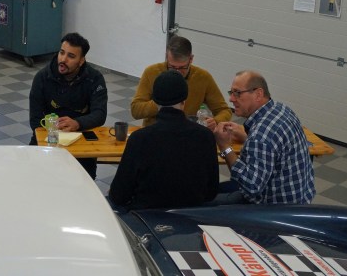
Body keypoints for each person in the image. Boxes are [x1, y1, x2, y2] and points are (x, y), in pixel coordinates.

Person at [108, 70, 219, 210]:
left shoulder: (140, 139)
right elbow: (211, 192)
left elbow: (119, 195)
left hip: (146, 216)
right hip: (191, 215)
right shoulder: (205, 136)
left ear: (155, 101)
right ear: (184, 100)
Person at [213, 70, 315, 204]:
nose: (231, 99)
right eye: (231, 92)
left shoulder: (260, 136)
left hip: (274, 208)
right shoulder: (281, 109)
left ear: (258, 94)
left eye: (237, 93)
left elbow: (250, 187)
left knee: (203, 201)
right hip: (300, 198)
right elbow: (273, 148)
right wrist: (247, 138)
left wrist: (225, 147)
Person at [29, 32, 107, 178]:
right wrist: (53, 135)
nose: (63, 59)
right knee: (36, 178)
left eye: (71, 56)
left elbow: (100, 114)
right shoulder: (42, 77)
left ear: (81, 60)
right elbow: (35, 120)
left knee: (84, 181)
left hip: (81, 138)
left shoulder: (94, 79)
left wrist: (77, 123)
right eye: (62, 52)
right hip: (48, 137)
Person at [131, 35, 231, 128]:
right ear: (166, 57)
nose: (177, 72)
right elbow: (136, 110)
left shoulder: (203, 77)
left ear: (191, 59)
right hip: (155, 132)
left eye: (182, 67)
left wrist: (216, 121)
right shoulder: (151, 72)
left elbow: (224, 110)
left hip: (187, 133)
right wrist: (162, 103)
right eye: (172, 67)